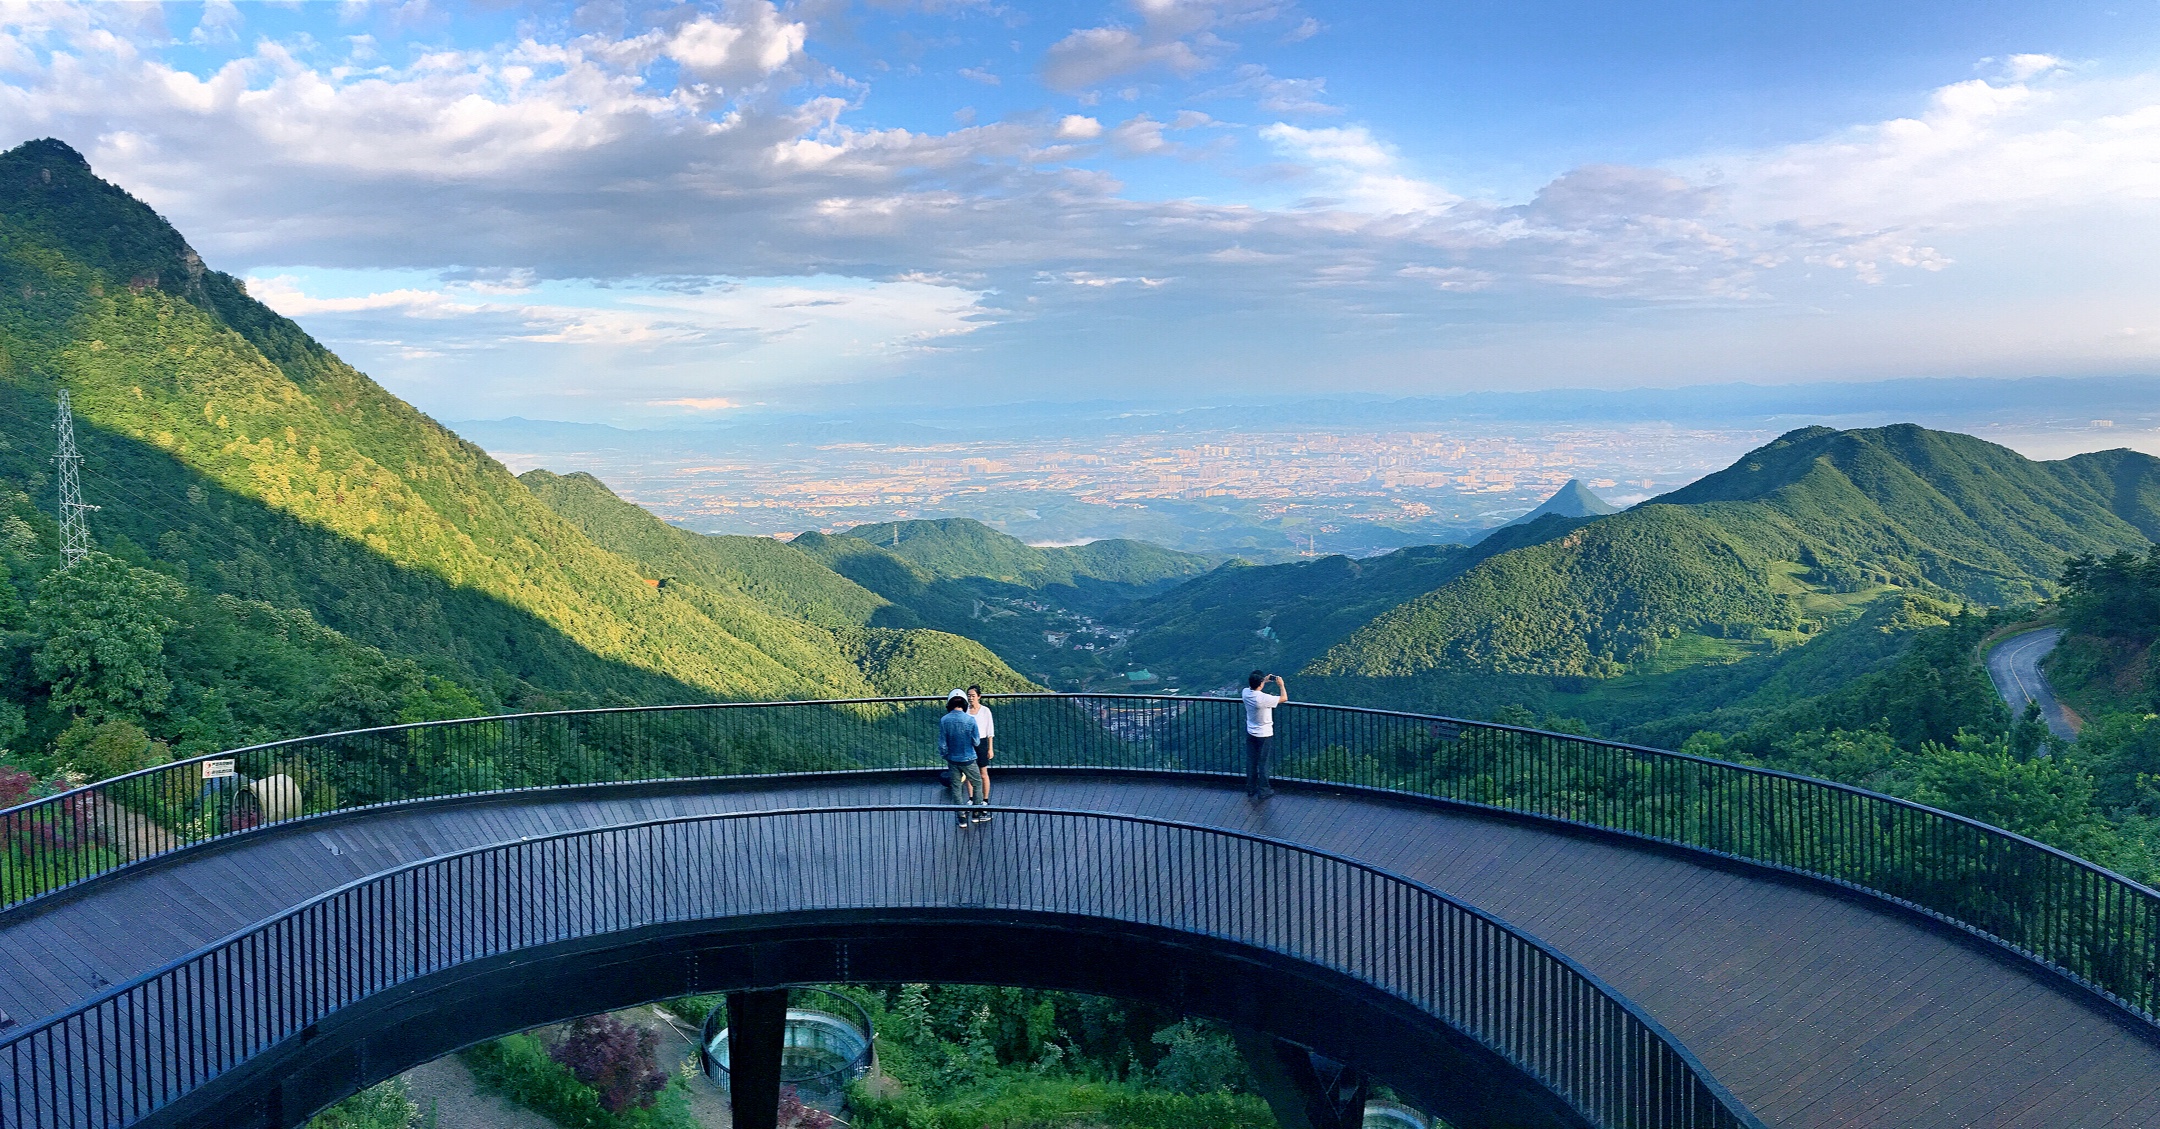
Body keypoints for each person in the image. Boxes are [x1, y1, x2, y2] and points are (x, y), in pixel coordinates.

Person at [937, 689, 988, 827]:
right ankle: (976, 813)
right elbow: (976, 742)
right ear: (965, 704)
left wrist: (946, 756)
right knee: (977, 783)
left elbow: (942, 744)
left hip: (953, 759)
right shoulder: (970, 720)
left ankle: (961, 817)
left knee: (956, 787)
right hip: (969, 758)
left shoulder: (944, 720)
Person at [1241, 670, 1288, 800]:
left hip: (1250, 732)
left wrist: (1263, 681)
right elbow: (1284, 698)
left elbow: (1253, 687)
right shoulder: (1263, 698)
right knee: (1263, 763)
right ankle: (1264, 790)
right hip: (1264, 734)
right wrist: (1281, 685)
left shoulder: (1245, 693)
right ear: (1260, 684)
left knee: (1251, 761)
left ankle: (1251, 788)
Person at [966, 685, 995, 816]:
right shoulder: (965, 711)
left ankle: (985, 799)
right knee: (969, 773)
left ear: (979, 696)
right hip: (968, 743)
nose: (971, 698)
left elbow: (990, 731)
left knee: (983, 773)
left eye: (973, 695)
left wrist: (990, 748)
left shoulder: (985, 711)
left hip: (982, 743)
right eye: (969, 695)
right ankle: (971, 798)